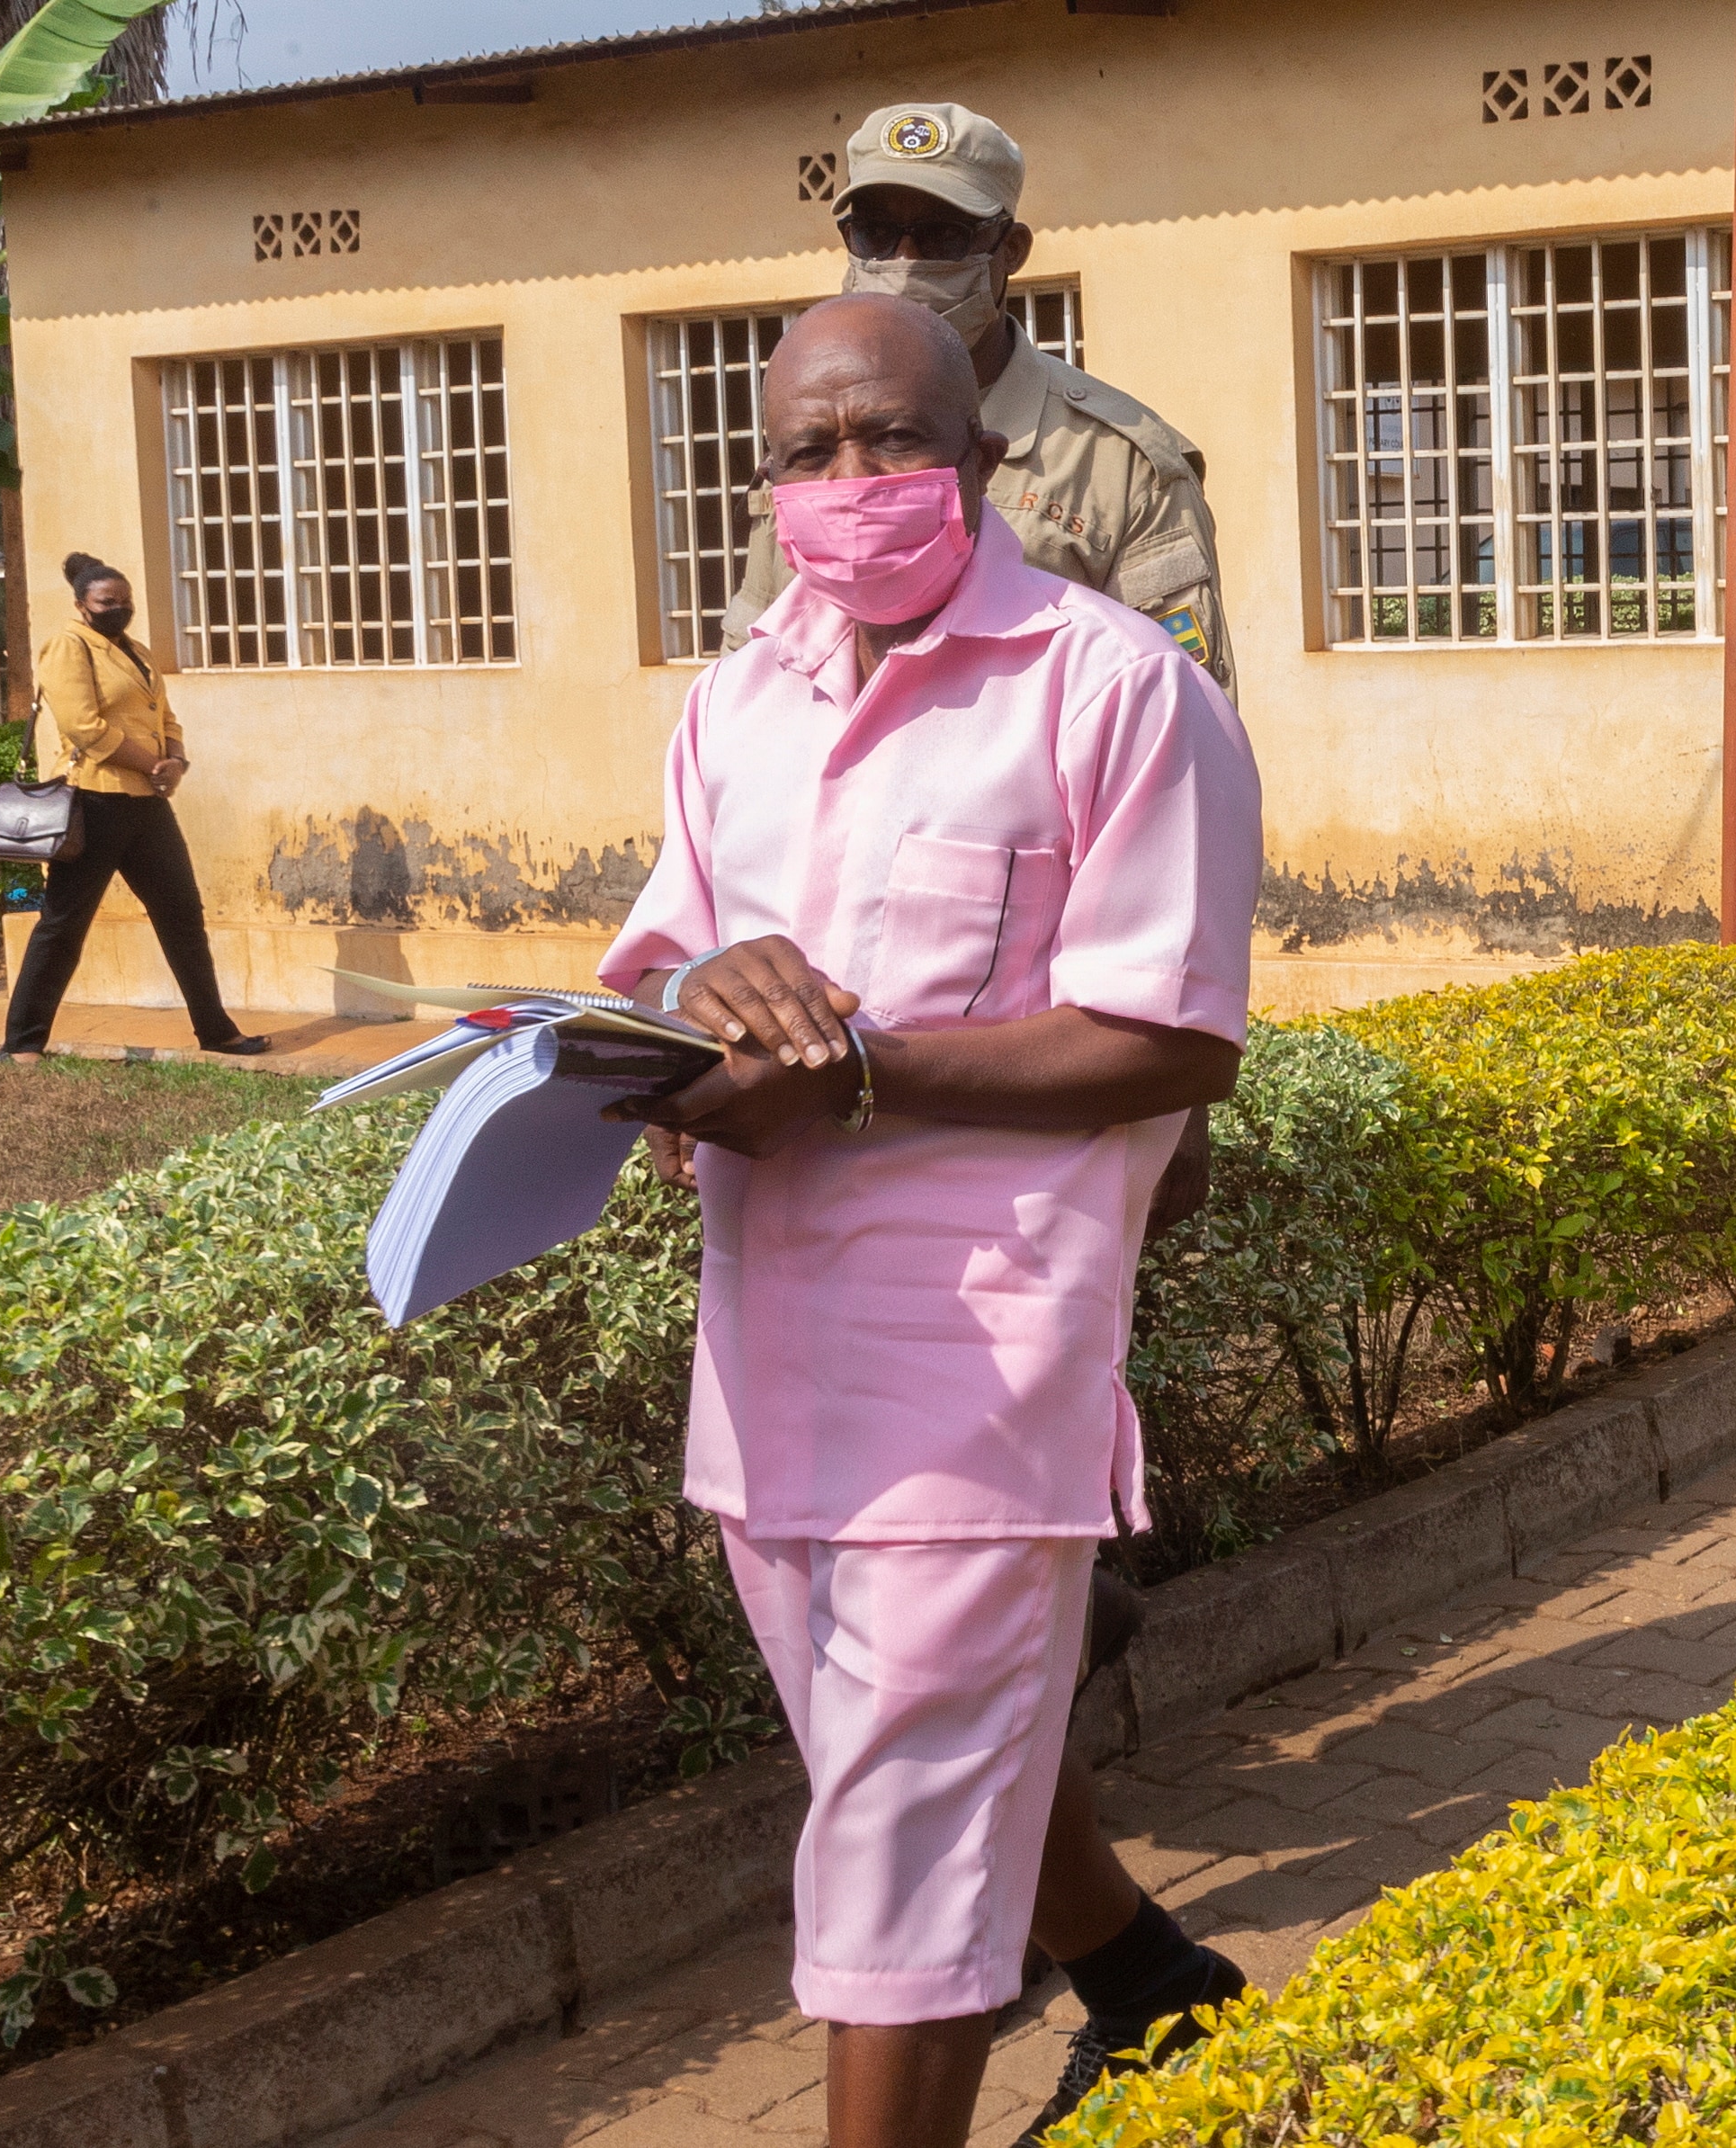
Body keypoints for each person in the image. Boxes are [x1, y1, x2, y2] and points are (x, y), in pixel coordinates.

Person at [596, 293, 1263, 2148]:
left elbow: (1169, 1036)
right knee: (917, 1759)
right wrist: (694, 1012)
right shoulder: (731, 704)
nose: (848, 480)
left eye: (888, 439)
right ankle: (1147, 1983)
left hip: (981, 1364)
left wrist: (867, 1075)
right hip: (764, 1361)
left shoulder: (1116, 685)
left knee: (891, 1849)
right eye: (804, 450)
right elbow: (668, 956)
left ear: (976, 460)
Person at [720, 101, 1234, 699]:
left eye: (944, 235)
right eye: (875, 234)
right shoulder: (814, 446)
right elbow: (751, 668)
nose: (906, 262)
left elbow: (1180, 712)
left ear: (1010, 249)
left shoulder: (1117, 463)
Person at [0, 554, 266, 1063]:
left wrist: (176, 761)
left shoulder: (137, 652)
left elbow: (165, 715)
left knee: (183, 915)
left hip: (146, 806)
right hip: (93, 802)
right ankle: (21, 1045)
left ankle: (216, 1031)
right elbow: (83, 726)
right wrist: (152, 764)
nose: (118, 609)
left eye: (125, 602)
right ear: (82, 605)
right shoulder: (68, 647)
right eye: (106, 602)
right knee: (64, 923)